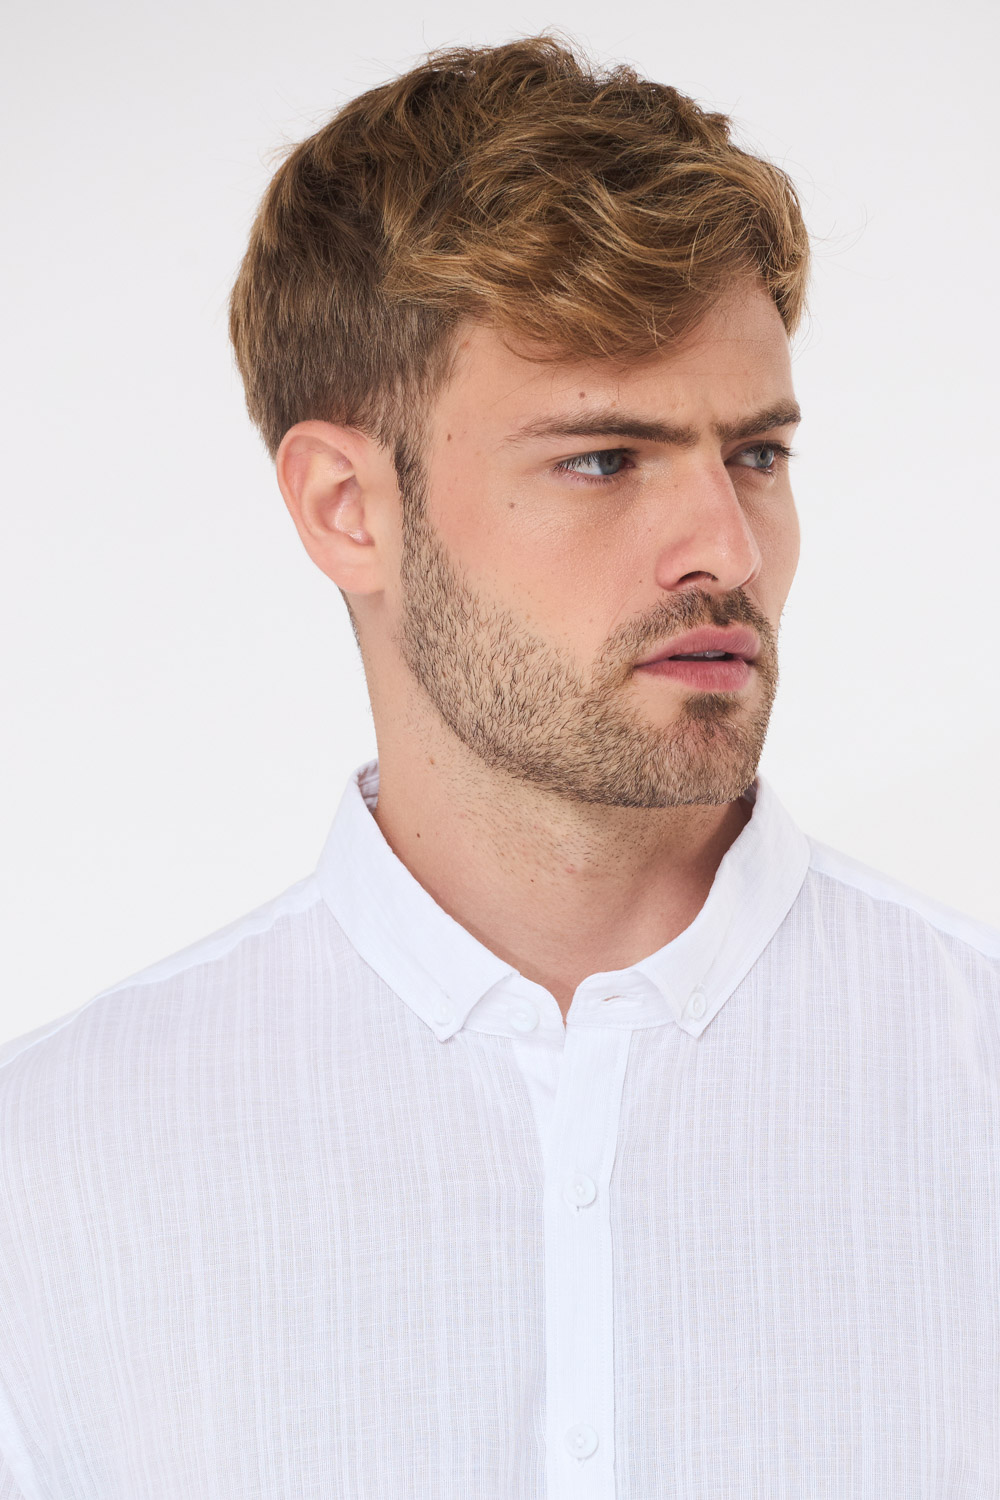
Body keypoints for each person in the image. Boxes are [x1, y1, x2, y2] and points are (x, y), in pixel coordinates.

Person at [1, 34, 997, 1500]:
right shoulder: (52, 1179)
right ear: (347, 508)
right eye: (605, 459)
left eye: (758, 455)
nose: (725, 548)